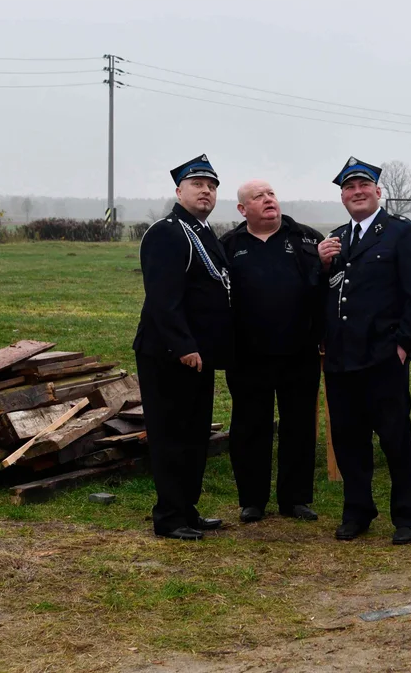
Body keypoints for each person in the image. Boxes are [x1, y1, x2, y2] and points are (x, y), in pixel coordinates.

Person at [317, 156, 411, 544]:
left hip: (383, 357)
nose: (357, 192)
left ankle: (406, 516)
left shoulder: (399, 232)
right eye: (349, 188)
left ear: (378, 191)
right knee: (349, 442)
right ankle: (357, 511)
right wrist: (320, 267)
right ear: (343, 197)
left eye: (363, 186)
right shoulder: (336, 239)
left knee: (395, 438)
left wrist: (403, 344)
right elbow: (326, 295)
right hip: (341, 359)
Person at [133, 154, 233, 541]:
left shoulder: (203, 232)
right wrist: (183, 346)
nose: (206, 190)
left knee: (194, 436)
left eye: (211, 186)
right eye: (197, 184)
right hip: (169, 353)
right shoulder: (167, 232)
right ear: (179, 191)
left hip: (198, 355)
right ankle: (169, 517)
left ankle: (187, 508)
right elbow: (162, 298)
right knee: (171, 435)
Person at [219, 180, 324, 524]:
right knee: (250, 426)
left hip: (299, 352)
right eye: (258, 197)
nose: (267, 200)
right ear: (242, 209)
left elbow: (325, 292)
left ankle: (296, 499)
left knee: (298, 426)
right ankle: (252, 500)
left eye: (271, 194)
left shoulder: (308, 239)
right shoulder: (229, 246)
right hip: (247, 356)